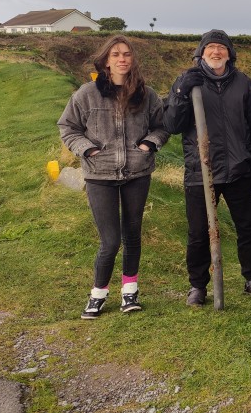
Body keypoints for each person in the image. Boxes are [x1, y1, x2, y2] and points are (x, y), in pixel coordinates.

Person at [58, 35, 169, 319]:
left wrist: (149, 145)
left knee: (132, 235)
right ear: (106, 60)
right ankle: (98, 294)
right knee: (110, 241)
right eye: (116, 54)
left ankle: (130, 291)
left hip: (137, 173)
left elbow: (162, 126)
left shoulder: (146, 94)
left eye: (127, 54)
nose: (122, 59)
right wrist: (88, 150)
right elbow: (68, 127)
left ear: (132, 59)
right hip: (99, 176)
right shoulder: (87, 93)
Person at [163, 29, 251, 306]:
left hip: (238, 169)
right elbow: (172, 125)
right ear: (201, 52)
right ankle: (198, 287)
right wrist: (180, 92)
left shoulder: (243, 84)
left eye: (221, 48)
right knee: (198, 232)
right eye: (210, 47)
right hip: (201, 170)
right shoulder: (188, 82)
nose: (216, 52)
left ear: (229, 53)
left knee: (247, 227)